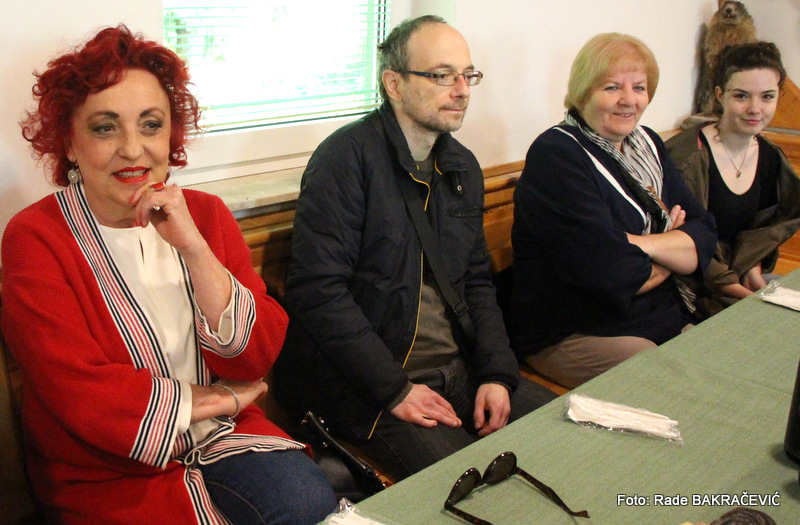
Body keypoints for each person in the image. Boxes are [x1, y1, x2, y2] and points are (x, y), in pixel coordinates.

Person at [1, 25, 336, 524]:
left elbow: (256, 354)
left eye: (151, 125)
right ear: (68, 141)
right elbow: (75, 389)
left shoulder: (205, 214)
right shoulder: (35, 236)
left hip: (223, 436)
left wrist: (195, 249)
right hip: (106, 470)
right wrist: (209, 400)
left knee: (308, 503)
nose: (133, 149)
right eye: (105, 128)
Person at [273, 15, 556, 481]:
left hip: (459, 369)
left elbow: (477, 282)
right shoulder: (345, 160)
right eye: (442, 75)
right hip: (369, 388)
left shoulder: (461, 166)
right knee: (474, 483)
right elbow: (318, 293)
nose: (461, 90)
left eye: (467, 75)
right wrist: (395, 390)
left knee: (566, 436)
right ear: (394, 85)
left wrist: (496, 373)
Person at [509, 33, 717, 388]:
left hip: (651, 313)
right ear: (583, 92)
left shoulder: (647, 144)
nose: (628, 100)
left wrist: (638, 243)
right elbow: (611, 274)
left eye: (639, 87)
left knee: (720, 360)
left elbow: (704, 232)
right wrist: (671, 247)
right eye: (611, 87)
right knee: (674, 383)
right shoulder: (557, 155)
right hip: (573, 330)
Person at [666, 42, 800, 319]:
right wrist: (740, 292)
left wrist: (753, 271)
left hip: (737, 280)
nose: (755, 109)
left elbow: (759, 231)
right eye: (741, 96)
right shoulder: (686, 159)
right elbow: (685, 242)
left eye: (767, 97)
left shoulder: (770, 157)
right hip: (686, 289)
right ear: (720, 95)